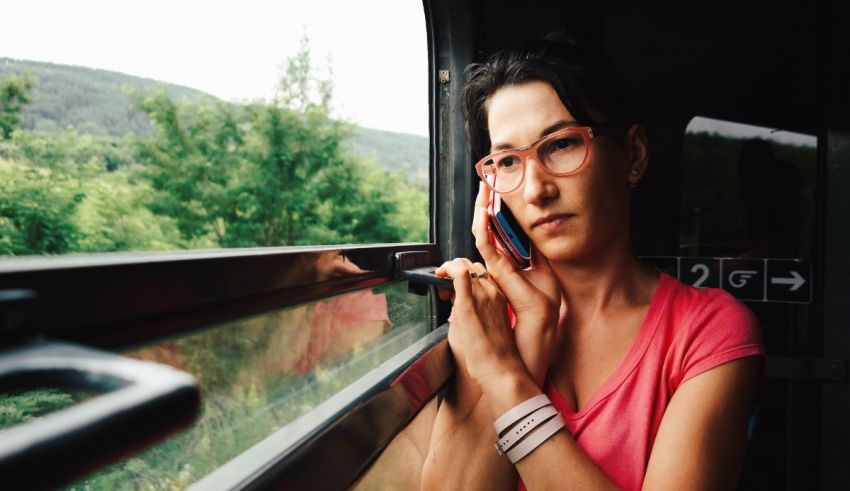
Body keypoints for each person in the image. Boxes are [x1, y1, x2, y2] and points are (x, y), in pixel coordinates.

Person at [420, 40, 765, 490]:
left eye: (561, 144)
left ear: (634, 154)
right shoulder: (488, 317)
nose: (534, 190)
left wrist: (506, 378)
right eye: (507, 161)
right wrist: (530, 333)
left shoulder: (710, 331)